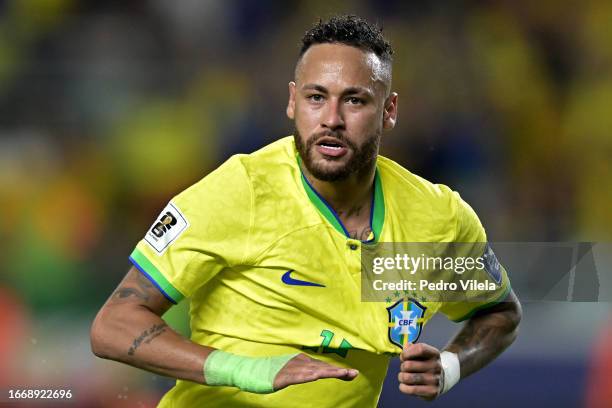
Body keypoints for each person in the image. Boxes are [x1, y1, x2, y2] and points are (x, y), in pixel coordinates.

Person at [91, 15, 522, 407]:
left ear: (388, 112)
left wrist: (450, 366)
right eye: (317, 97)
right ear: (293, 102)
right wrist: (250, 371)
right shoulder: (241, 191)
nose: (331, 118)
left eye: (354, 101)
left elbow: (500, 311)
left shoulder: (436, 220)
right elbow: (113, 326)